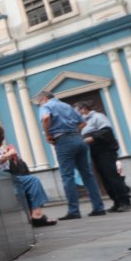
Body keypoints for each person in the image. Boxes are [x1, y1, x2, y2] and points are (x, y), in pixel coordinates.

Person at [0, 122, 56, 227]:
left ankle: (36, 215)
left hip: (1, 178)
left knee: (31, 182)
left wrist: (8, 155)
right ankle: (37, 216)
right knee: (32, 181)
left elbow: (3, 164)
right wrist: (10, 153)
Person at [34, 91, 107, 220]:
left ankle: (74, 211)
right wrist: (73, 132)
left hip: (63, 142)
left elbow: (45, 118)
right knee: (88, 175)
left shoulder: (46, 106)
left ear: (44, 98)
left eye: (39, 102)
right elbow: (83, 123)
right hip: (79, 139)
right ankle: (98, 208)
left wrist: (48, 135)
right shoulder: (67, 106)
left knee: (67, 176)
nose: (39, 104)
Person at [75, 101, 131, 212]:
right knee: (104, 178)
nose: (75, 114)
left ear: (83, 109)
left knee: (112, 176)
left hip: (105, 151)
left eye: (77, 111)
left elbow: (107, 132)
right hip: (94, 152)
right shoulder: (83, 122)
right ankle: (116, 202)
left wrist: (92, 138)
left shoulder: (98, 117)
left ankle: (125, 202)